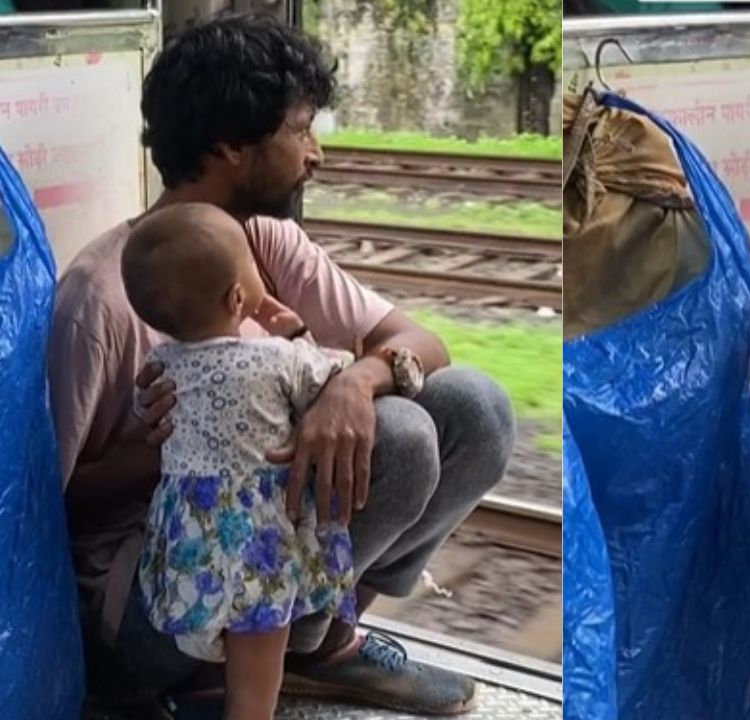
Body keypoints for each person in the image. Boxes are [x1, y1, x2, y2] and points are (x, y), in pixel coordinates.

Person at [48, 12, 515, 718]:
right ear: (231, 145)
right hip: (167, 589)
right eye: (301, 130)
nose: (316, 153)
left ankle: (315, 640)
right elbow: (44, 505)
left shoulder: (267, 241)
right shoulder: (100, 296)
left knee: (473, 406)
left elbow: (420, 342)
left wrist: (355, 382)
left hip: (268, 554)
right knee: (404, 438)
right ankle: (248, 661)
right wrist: (179, 450)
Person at [122, 203, 360, 719]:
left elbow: (144, 408)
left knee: (216, 646)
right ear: (238, 297)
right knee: (256, 680)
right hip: (257, 540)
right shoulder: (277, 356)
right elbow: (334, 376)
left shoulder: (158, 366)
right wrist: (296, 331)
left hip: (189, 534)